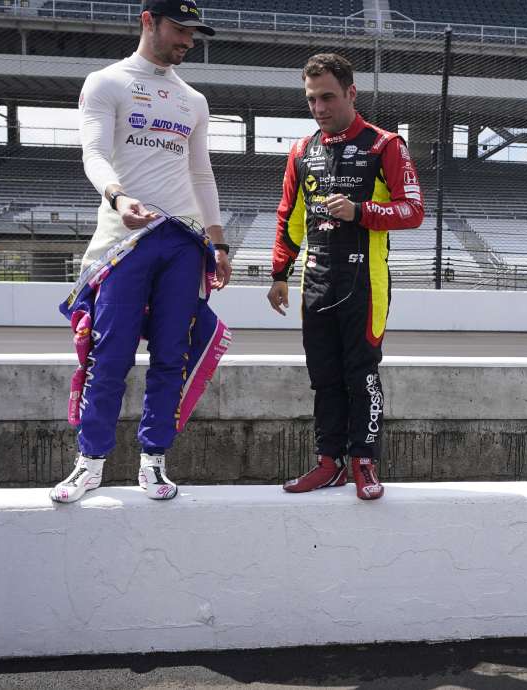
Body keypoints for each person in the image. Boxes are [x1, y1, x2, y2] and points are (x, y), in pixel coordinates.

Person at [50, 0, 233, 504]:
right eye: (180, 29)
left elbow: (201, 174)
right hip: (125, 237)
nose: (188, 42)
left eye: (194, 34)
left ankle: (154, 462)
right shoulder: (105, 82)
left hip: (182, 240)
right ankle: (90, 463)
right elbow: (94, 152)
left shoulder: (192, 99)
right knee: (108, 355)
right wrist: (117, 196)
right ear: (148, 21)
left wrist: (217, 241)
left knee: (171, 355)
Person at [267, 53, 425, 501]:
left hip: (365, 286)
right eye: (312, 99)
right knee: (324, 378)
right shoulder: (301, 151)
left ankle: (365, 463)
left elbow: (413, 211)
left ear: (351, 93)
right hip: (314, 285)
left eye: (328, 98)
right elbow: (289, 218)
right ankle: (328, 463)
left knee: (362, 376)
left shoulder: (385, 145)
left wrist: (361, 211)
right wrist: (279, 273)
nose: (319, 108)